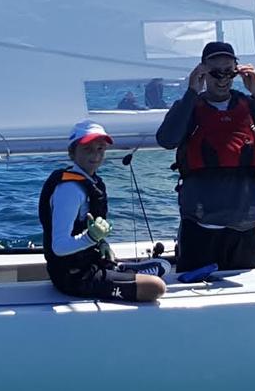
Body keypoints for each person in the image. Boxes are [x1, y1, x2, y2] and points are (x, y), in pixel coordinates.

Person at [156, 41, 255, 272]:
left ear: (237, 72)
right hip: (200, 226)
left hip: (244, 226)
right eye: (215, 72)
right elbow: (167, 139)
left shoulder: (250, 106)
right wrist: (192, 91)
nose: (222, 79)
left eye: (228, 72)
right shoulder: (190, 107)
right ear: (202, 72)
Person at [38, 120, 167, 302]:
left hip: (89, 264)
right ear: (72, 153)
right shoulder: (70, 190)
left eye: (100, 149)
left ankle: (120, 270)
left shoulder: (90, 181)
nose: (95, 156)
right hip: (73, 278)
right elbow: (59, 247)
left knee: (158, 279)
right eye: (87, 149)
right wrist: (91, 238)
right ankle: (123, 271)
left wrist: (101, 243)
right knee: (156, 288)